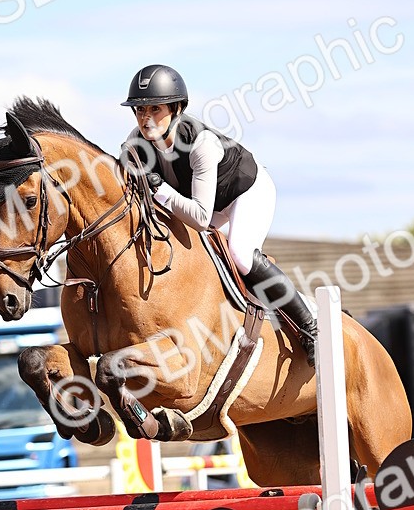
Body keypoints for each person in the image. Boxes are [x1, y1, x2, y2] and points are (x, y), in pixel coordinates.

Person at [119, 64, 318, 365]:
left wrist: (159, 188)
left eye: (154, 109)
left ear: (176, 109)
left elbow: (200, 218)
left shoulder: (202, 144)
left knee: (241, 255)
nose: (145, 118)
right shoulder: (134, 145)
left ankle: (309, 328)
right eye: (139, 110)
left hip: (245, 192)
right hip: (204, 203)